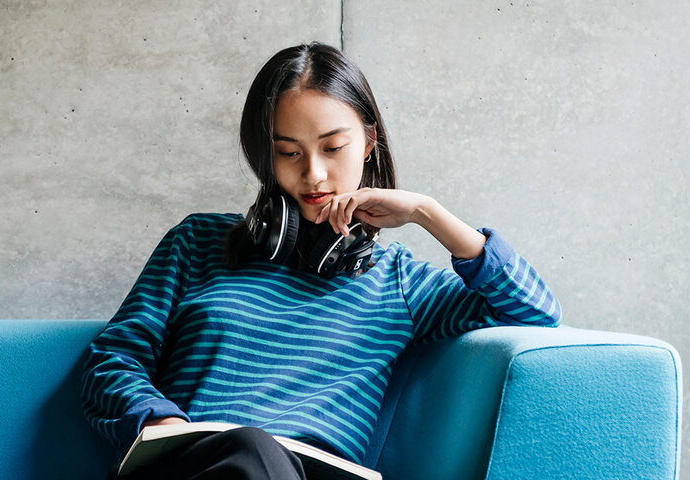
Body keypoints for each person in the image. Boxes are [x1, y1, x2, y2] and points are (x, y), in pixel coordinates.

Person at [80, 41, 561, 480]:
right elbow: (113, 358)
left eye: (333, 148)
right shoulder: (198, 242)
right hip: (194, 466)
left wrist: (426, 212)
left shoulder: (400, 283)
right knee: (251, 450)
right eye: (288, 153)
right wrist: (159, 420)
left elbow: (534, 312)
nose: (313, 174)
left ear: (370, 141)